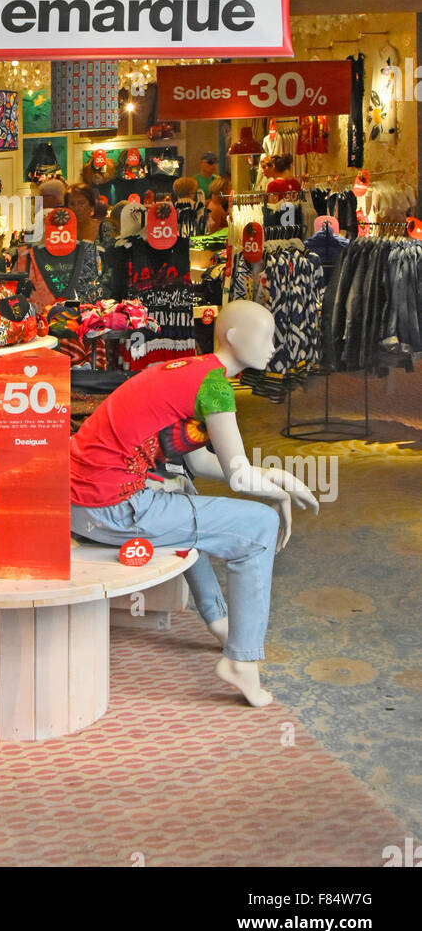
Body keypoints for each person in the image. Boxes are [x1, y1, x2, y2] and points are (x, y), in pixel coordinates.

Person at [69, 299, 319, 708]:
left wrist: (273, 481)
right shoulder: (215, 384)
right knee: (259, 527)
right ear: (235, 338)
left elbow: (201, 461)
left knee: (186, 492)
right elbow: (238, 476)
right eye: (267, 336)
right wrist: (280, 487)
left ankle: (220, 623)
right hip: (110, 509)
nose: (274, 346)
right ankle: (242, 661)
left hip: (83, 505)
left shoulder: (188, 369)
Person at [67, 183, 116, 248]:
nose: (76, 208)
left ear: (91, 206)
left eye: (81, 203)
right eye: (72, 204)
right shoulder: (62, 231)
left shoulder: (103, 228)